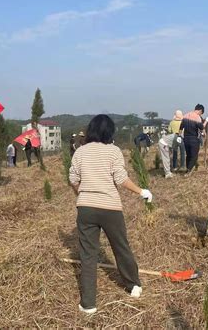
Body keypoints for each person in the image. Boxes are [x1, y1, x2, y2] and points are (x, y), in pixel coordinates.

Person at [69, 114, 153, 314]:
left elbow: (73, 178)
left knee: (88, 255)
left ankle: (88, 304)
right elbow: (121, 179)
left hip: (86, 209)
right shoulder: (113, 151)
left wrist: (83, 193)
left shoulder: (80, 152)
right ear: (110, 132)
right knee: (120, 246)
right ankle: (133, 285)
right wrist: (141, 191)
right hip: (110, 208)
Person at [179, 104, 208, 175]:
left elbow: (181, 127)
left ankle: (188, 168)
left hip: (185, 139)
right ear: (200, 111)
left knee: (188, 155)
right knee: (194, 155)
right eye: (201, 113)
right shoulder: (197, 117)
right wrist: (204, 132)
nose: (200, 114)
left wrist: (179, 136)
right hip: (194, 139)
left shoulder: (185, 115)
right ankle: (189, 171)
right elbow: (202, 129)